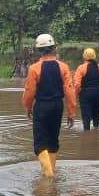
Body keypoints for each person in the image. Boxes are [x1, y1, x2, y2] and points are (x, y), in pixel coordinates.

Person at [22, 33, 76, 177]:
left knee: (40, 144)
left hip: (41, 106)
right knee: (53, 141)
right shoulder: (63, 67)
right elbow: (70, 91)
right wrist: (71, 112)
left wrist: (28, 107)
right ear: (54, 48)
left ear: (39, 50)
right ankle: (51, 172)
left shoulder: (34, 68)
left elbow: (29, 92)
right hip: (57, 106)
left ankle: (48, 175)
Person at [74, 47, 99, 131]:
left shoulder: (81, 68)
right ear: (94, 56)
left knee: (86, 114)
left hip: (85, 93)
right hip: (97, 92)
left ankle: (87, 133)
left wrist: (76, 94)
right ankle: (96, 129)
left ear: (84, 56)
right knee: (96, 112)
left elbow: (77, 84)